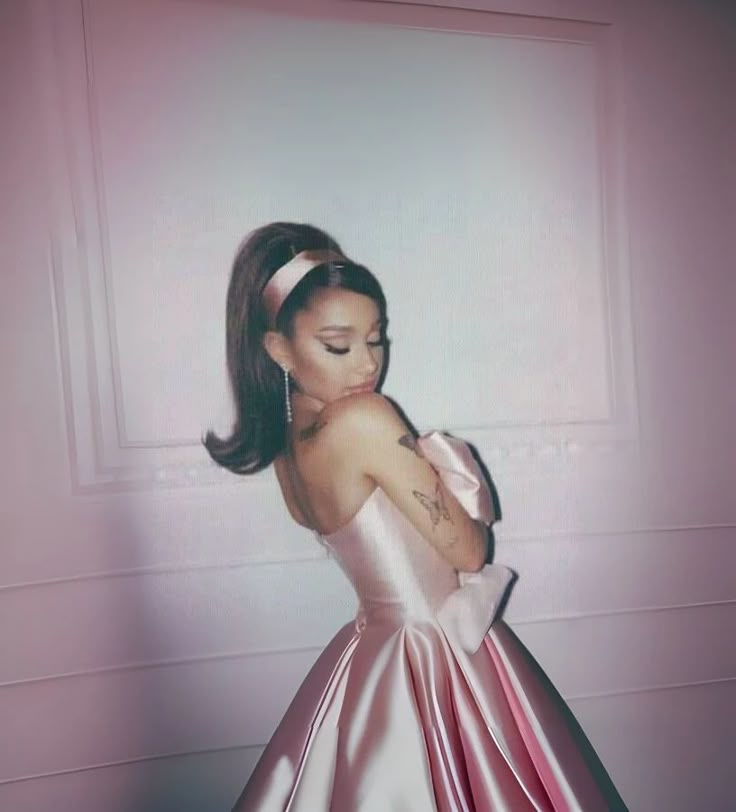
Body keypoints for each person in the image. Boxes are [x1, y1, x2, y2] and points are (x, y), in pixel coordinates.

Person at [204, 222, 628, 811]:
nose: (366, 364)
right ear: (278, 349)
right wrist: (462, 481)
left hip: (372, 651)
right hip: (432, 649)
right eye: (338, 344)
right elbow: (471, 552)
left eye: (376, 339)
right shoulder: (364, 420)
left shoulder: (288, 448)